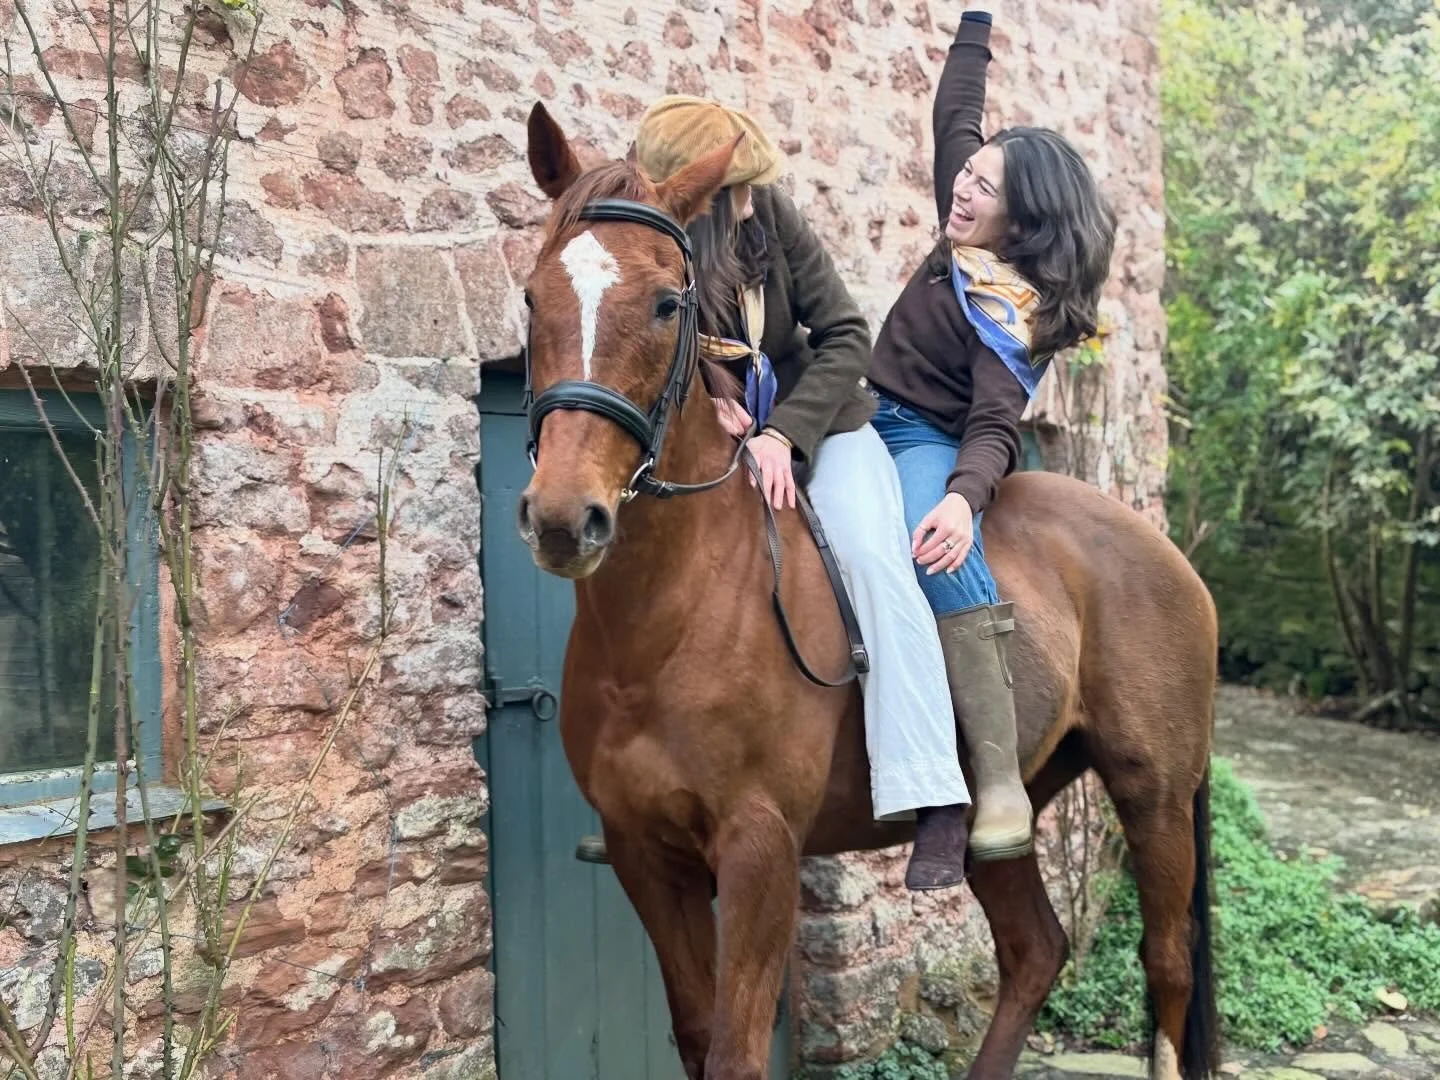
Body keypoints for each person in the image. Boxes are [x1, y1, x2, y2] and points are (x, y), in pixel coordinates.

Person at [574, 95, 976, 889]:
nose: (751, 199)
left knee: (869, 554)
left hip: (822, 427)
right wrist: (713, 391)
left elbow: (846, 336)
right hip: (712, 438)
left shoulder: (772, 221)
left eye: (752, 187)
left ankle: (933, 792)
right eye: (739, 188)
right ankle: (634, 792)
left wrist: (784, 432)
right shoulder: (641, 238)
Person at [865, 9, 1117, 861]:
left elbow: (990, 427)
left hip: (921, 440)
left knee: (930, 552)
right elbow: (955, 115)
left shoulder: (1011, 312)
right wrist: (974, 21)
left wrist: (963, 504)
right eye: (964, 176)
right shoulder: (962, 222)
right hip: (854, 414)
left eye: (983, 188)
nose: (963, 191)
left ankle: (997, 774)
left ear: (1021, 221)